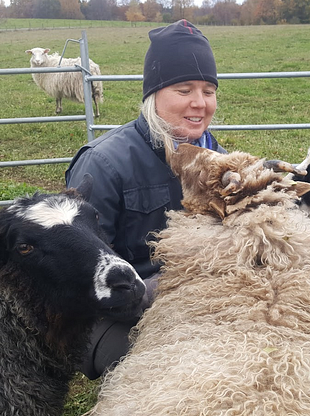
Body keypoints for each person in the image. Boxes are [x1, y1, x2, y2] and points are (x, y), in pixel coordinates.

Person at [65, 19, 227, 380]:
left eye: (209, 90)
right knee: (177, 373)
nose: (199, 103)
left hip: (199, 297)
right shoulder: (104, 163)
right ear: (153, 95)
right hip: (114, 313)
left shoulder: (219, 161)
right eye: (184, 89)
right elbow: (80, 270)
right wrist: (159, 292)